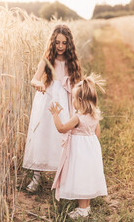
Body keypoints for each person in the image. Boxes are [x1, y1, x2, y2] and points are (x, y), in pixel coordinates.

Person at [23, 24, 82, 191]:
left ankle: (62, 176)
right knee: (42, 134)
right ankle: (36, 177)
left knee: (63, 135)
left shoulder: (72, 62)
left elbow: (77, 84)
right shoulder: (47, 59)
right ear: (52, 42)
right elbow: (33, 79)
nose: (61, 46)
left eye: (64, 43)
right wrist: (39, 83)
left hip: (65, 102)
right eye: (57, 42)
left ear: (69, 43)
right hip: (47, 101)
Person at [49, 73, 108, 219]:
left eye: (74, 98)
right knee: (87, 178)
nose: (72, 101)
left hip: (80, 152)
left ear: (80, 100)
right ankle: (85, 206)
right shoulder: (94, 115)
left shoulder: (77, 118)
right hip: (91, 149)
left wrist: (55, 114)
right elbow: (97, 133)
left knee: (81, 177)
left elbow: (62, 128)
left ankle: (82, 210)